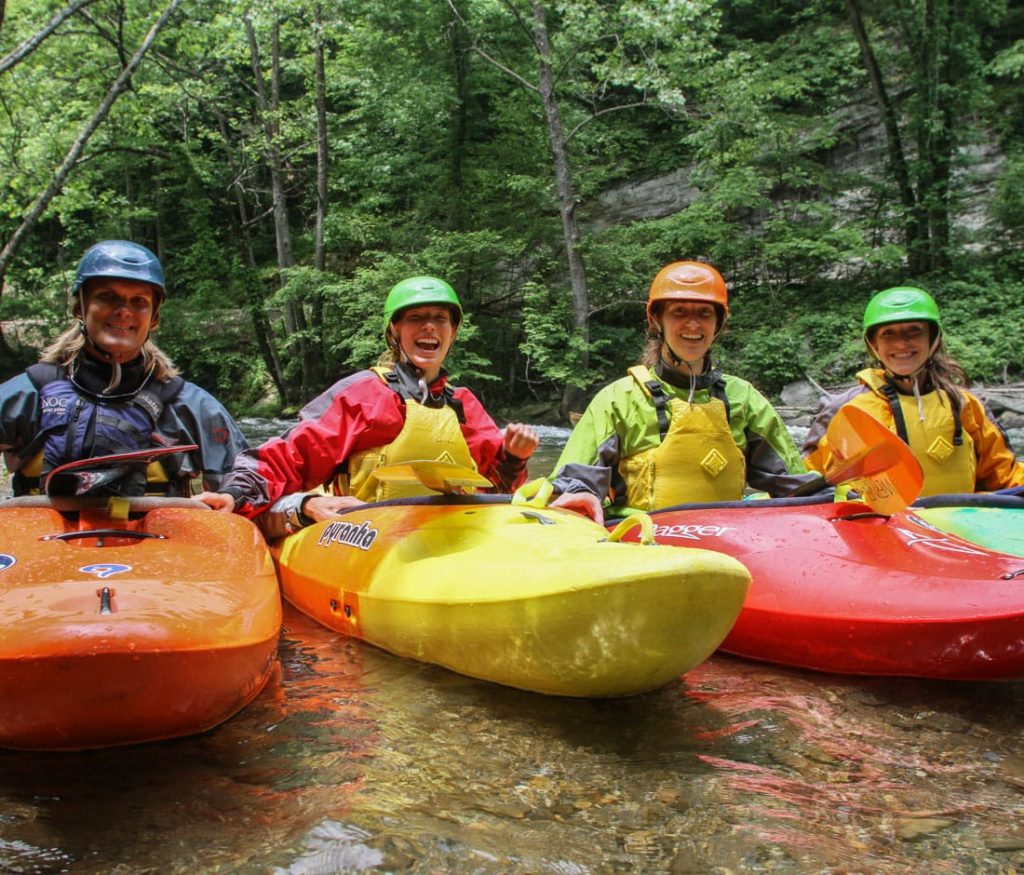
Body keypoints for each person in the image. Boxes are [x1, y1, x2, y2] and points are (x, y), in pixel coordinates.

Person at [196, 276, 539, 536]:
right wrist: (236, 494)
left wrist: (513, 457)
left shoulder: (463, 404)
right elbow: (290, 456)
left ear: (453, 331)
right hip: (367, 533)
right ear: (395, 330)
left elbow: (497, 491)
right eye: (416, 318)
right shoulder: (364, 393)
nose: (429, 326)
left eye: (440, 318)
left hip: (449, 532)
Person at [548, 260, 817, 521]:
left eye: (704, 314)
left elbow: (796, 486)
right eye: (679, 312)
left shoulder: (743, 398)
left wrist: (840, 496)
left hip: (728, 541)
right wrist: (582, 493)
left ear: (718, 323)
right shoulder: (619, 399)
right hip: (642, 542)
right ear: (657, 320)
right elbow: (574, 481)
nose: (692, 325)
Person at [0, 240, 248, 497]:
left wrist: (232, 497)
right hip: (38, 535)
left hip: (156, 535)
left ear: (154, 318)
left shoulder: (190, 406)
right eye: (107, 296)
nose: (123, 312)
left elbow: (244, 480)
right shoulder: (28, 395)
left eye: (138, 301)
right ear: (79, 308)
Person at [803, 286, 1024, 495]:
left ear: (933, 339)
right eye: (888, 333)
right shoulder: (847, 409)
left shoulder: (964, 404)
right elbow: (812, 483)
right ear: (874, 345)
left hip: (958, 527)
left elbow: (1004, 477)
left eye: (914, 331)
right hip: (880, 531)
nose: (901, 344)